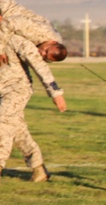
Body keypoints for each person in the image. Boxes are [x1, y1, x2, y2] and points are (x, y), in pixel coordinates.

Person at [0, 32, 67, 183]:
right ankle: (39, 168)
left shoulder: (16, 40)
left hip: (16, 90)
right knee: (18, 131)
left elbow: (39, 66)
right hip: (1, 90)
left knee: (3, 124)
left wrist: (55, 93)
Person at [0, 0, 68, 65]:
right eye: (46, 50)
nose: (42, 53)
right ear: (53, 42)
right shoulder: (40, 31)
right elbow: (8, 22)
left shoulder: (53, 45)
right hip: (4, 10)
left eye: (45, 56)